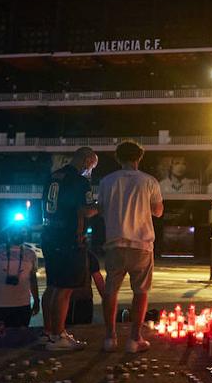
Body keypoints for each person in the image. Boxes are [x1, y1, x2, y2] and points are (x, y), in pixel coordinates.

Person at [98, 140, 163, 352]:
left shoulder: (107, 181)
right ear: (139, 158)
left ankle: (110, 337)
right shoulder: (149, 181)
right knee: (141, 292)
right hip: (142, 245)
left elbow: (100, 209)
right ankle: (134, 339)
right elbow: (158, 211)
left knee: (111, 291)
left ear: (118, 158)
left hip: (115, 243)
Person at [39, 147, 101, 349]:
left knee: (52, 285)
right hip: (69, 237)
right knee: (64, 289)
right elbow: (87, 209)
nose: (90, 170)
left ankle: (47, 332)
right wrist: (99, 206)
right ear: (86, 161)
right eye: (91, 165)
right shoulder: (80, 181)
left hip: (49, 235)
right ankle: (59, 336)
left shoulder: (53, 176)